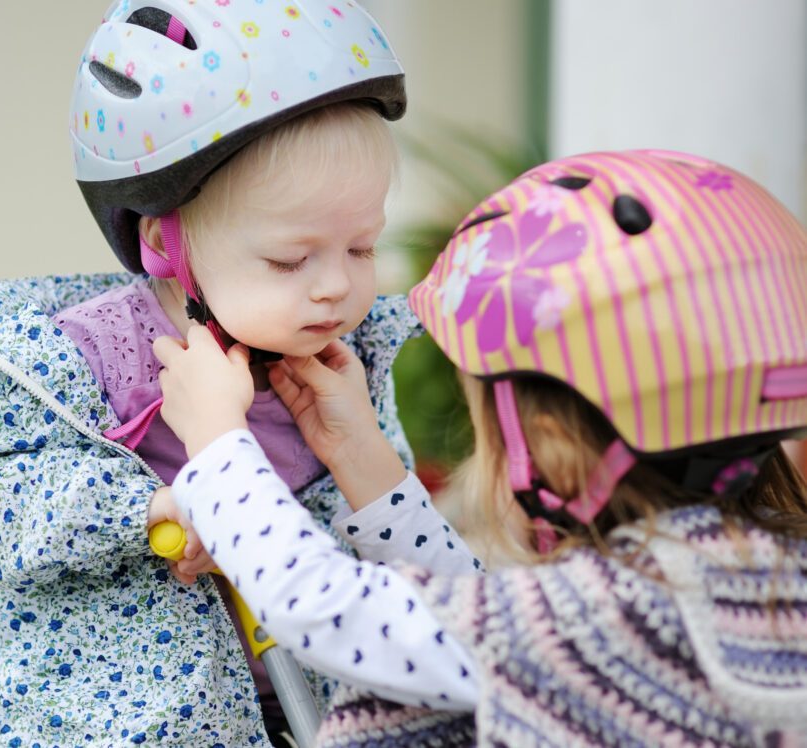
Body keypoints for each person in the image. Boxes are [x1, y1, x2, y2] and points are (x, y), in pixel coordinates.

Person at [0, 2, 453, 745]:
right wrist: (152, 512)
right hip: (99, 723)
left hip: (293, 712)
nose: (336, 286)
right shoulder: (75, 360)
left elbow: (400, 554)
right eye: (291, 259)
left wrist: (366, 457)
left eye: (362, 249)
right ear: (163, 242)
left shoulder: (345, 360)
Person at [155, 149, 807, 746]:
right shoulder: (757, 577)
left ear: (549, 444)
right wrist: (359, 454)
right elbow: (470, 626)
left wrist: (217, 439)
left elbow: (330, 611)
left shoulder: (614, 612)